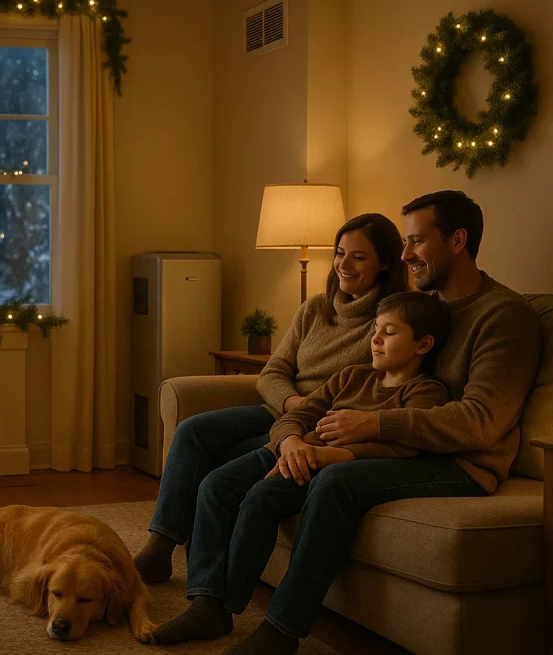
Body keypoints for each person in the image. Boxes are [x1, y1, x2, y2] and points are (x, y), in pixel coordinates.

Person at [220, 190, 541, 655]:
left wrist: (373, 427)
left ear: (458, 240)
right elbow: (358, 379)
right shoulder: (416, 307)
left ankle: (282, 631)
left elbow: (481, 422)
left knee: (337, 481)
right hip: (398, 450)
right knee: (266, 475)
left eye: (416, 242)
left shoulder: (503, 316)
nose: (405, 254)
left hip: (460, 464)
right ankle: (217, 600)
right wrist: (296, 435)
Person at [151, 290, 452, 647]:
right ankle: (205, 601)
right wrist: (290, 442)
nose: (374, 339)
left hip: (320, 464)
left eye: (389, 332)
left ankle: (224, 605)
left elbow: (403, 445)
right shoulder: (351, 377)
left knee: (261, 496)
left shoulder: (424, 393)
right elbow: (296, 415)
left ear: (423, 344)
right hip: (293, 449)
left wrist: (328, 455)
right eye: (375, 329)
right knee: (215, 486)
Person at [134, 213, 408, 584]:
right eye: (340, 253)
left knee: (228, 457)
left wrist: (305, 416)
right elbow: (273, 372)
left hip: (319, 426)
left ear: (386, 262)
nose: (343, 265)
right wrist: (292, 404)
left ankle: (209, 581)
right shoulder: (315, 308)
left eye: (359, 257)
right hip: (284, 409)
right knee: (193, 430)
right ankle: (161, 546)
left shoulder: (390, 322)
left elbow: (379, 389)